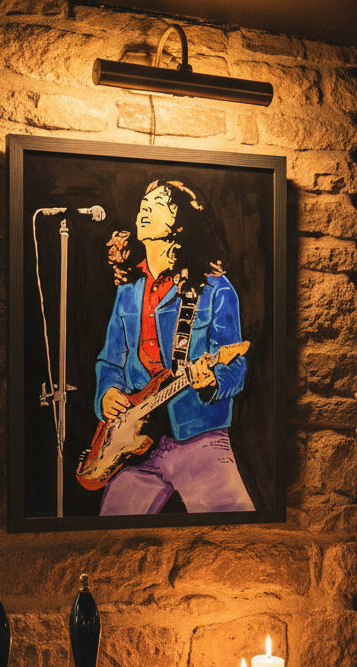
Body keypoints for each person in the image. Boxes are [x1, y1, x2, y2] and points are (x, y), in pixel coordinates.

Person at [86, 178, 255, 515]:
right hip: (134, 442)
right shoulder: (128, 291)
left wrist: (212, 381)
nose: (144, 211)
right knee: (112, 542)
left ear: (179, 223)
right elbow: (110, 361)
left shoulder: (215, 289)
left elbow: (236, 367)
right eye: (142, 206)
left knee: (234, 535)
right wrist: (106, 394)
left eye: (158, 205)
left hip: (199, 439)